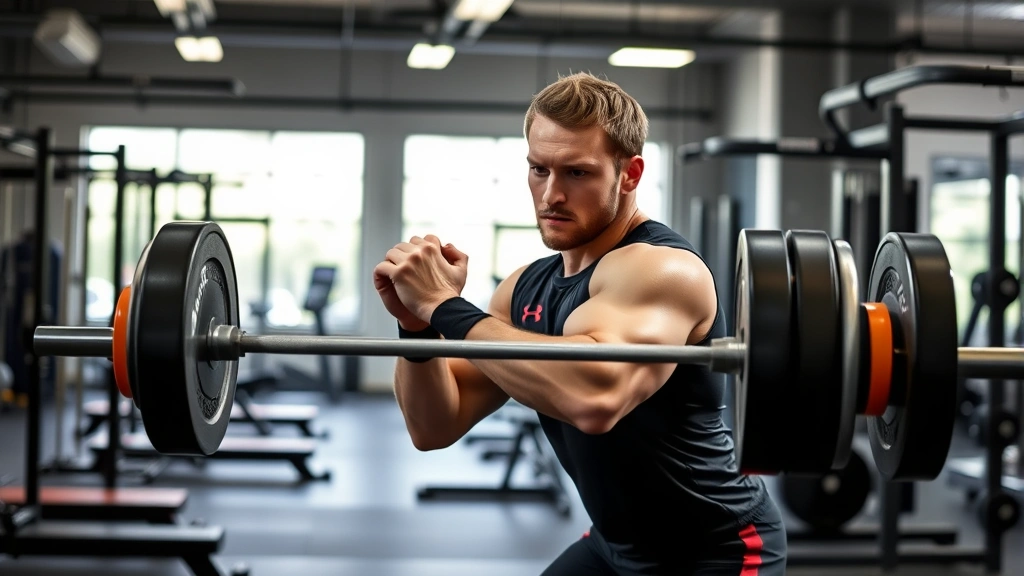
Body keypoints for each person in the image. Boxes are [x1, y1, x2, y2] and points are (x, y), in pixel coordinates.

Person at [373, 72, 786, 575]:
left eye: (577, 173)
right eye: (538, 170)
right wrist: (418, 328)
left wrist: (444, 306)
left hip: (712, 548)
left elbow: (594, 400)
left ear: (630, 174)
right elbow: (434, 425)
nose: (551, 195)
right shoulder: (526, 287)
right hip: (614, 546)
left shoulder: (660, 269)